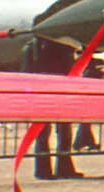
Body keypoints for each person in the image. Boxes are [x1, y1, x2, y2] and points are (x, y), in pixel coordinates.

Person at [22, 37, 81, 180]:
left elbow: (25, 73)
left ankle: (46, 170)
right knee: (58, 132)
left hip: (48, 92)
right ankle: (62, 168)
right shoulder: (61, 46)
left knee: (51, 132)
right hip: (53, 92)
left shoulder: (31, 48)